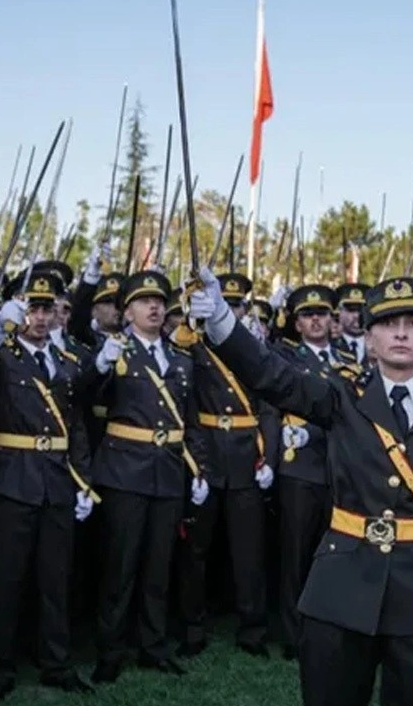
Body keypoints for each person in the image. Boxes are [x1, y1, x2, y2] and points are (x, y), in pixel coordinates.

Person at [191, 272, 413, 706]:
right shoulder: (341, 395)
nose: (400, 332)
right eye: (387, 323)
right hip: (341, 587)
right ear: (369, 338)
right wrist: (223, 323)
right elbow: (272, 375)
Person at [0, 269, 97, 701]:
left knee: (54, 577)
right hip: (13, 476)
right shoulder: (3, 354)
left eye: (47, 309)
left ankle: (55, 663)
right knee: (6, 577)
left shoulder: (66, 363)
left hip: (57, 479)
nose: (41, 318)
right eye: (33, 309)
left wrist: (83, 480)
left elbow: (76, 425)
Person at [87, 270, 209, 682]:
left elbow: (190, 420)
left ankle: (152, 646)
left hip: (169, 471)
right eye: (143, 301)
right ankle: (111, 650)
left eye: (159, 301)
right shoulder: (115, 352)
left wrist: (199, 467)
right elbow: (84, 396)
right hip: (125, 470)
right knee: (120, 568)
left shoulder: (180, 358)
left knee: (159, 567)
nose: (154, 307)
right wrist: (100, 365)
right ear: (127, 312)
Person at [176, 271, 277, 658]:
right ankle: (192, 627)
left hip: (246, 456)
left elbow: (267, 404)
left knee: (249, 551)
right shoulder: (192, 345)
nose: (231, 310)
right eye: (226, 303)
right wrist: (195, 463)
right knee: (196, 550)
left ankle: (253, 630)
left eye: (236, 305)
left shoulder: (250, 348)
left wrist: (267, 457)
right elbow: (183, 403)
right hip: (207, 452)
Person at [271, 285, 362, 661]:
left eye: (321, 314)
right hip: (301, 465)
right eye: (307, 315)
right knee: (295, 553)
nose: (315, 320)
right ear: (297, 322)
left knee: (335, 555)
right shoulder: (288, 356)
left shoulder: (348, 358)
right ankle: (293, 633)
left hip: (338, 466)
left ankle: (330, 626)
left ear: (332, 318)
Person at [333, 282, 369, 361]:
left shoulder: (378, 346)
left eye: (361, 310)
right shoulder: (329, 346)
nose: (356, 316)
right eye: (351, 310)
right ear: (340, 312)